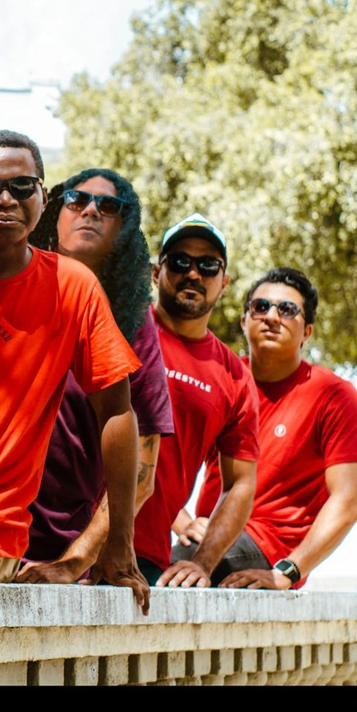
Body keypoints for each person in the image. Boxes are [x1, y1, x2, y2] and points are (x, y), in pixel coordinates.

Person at [0, 130, 147, 610]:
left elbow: (117, 413)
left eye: (21, 186)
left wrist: (119, 541)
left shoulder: (72, 286)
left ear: (42, 195)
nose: (5, 199)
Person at [19, 169, 175, 586]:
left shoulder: (133, 323)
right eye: (76, 199)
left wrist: (74, 561)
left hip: (58, 551)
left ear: (123, 229)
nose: (90, 210)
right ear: (54, 210)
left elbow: (143, 466)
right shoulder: (8, 284)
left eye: (108, 206)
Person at [182, 267, 357, 589]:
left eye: (287, 310)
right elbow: (159, 457)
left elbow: (349, 501)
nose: (271, 317)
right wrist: (183, 523)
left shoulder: (334, 396)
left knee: (174, 574)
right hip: (207, 538)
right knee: (144, 563)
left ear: (307, 331)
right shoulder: (222, 380)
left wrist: (288, 570)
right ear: (244, 321)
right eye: (260, 307)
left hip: (266, 549)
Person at [132, 213, 259, 588]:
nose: (193, 274)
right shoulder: (119, 328)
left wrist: (203, 561)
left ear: (224, 282)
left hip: (147, 558)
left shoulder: (234, 376)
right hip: (66, 539)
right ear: (157, 272)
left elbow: (240, 484)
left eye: (208, 266)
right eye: (180, 261)